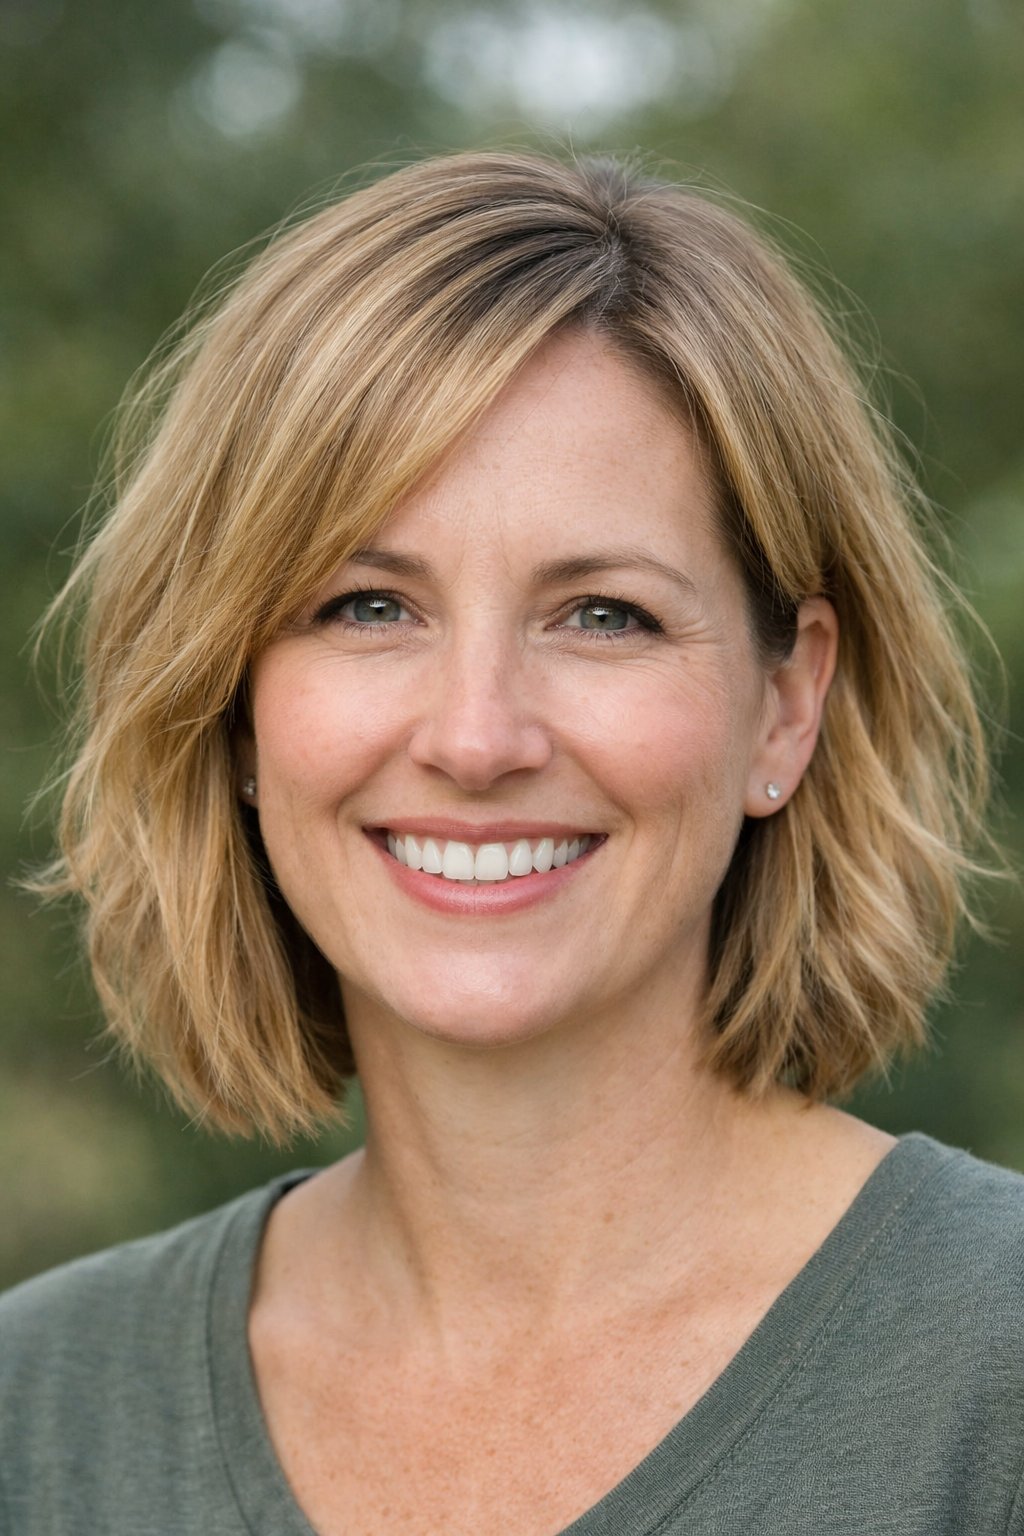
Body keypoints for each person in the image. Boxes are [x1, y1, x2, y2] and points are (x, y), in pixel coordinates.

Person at [1, 149, 1021, 1536]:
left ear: (787, 707)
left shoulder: (990, 1374)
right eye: (367, 607)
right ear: (235, 707)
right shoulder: (40, 1410)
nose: (477, 740)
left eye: (601, 614)